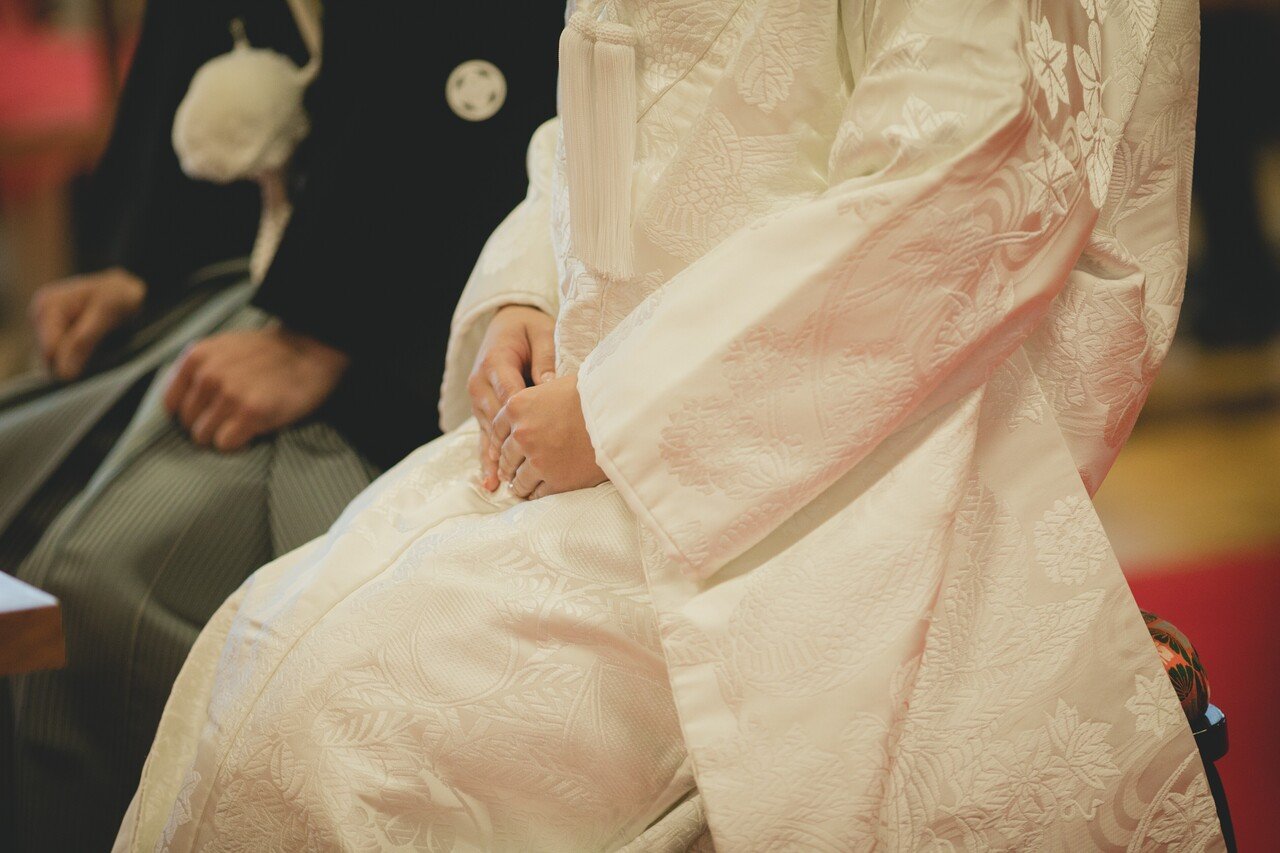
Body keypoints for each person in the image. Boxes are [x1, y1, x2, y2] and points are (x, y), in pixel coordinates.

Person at [116, 0, 1218, 849]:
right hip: (611, 403)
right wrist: (529, 290)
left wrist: (625, 411)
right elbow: (623, 98)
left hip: (845, 454)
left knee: (350, 727)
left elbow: (959, 191)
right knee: (258, 648)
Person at [1, 1, 561, 849]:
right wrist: (145, 261)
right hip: (272, 267)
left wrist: (329, 323)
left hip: (412, 305)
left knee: (95, 584)